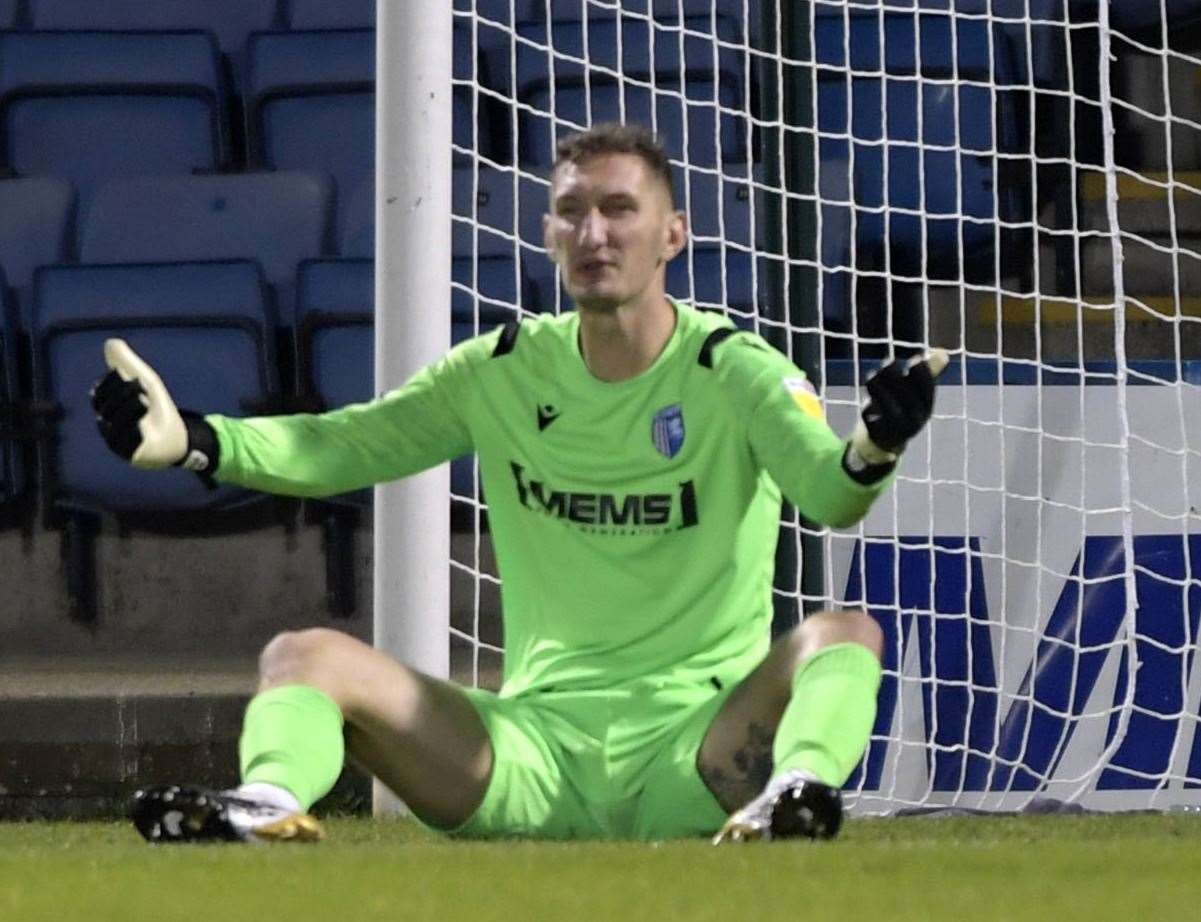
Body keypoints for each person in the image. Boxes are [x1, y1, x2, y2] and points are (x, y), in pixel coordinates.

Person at [92, 122, 944, 845]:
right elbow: (343, 446)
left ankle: (791, 798)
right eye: (571, 211)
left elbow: (830, 494)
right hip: (527, 755)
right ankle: (269, 806)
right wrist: (196, 441)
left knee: (844, 632)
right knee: (301, 655)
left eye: (618, 209)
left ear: (673, 234)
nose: (593, 233)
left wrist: (872, 443)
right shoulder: (502, 371)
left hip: (696, 756)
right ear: (546, 233)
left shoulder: (735, 371)